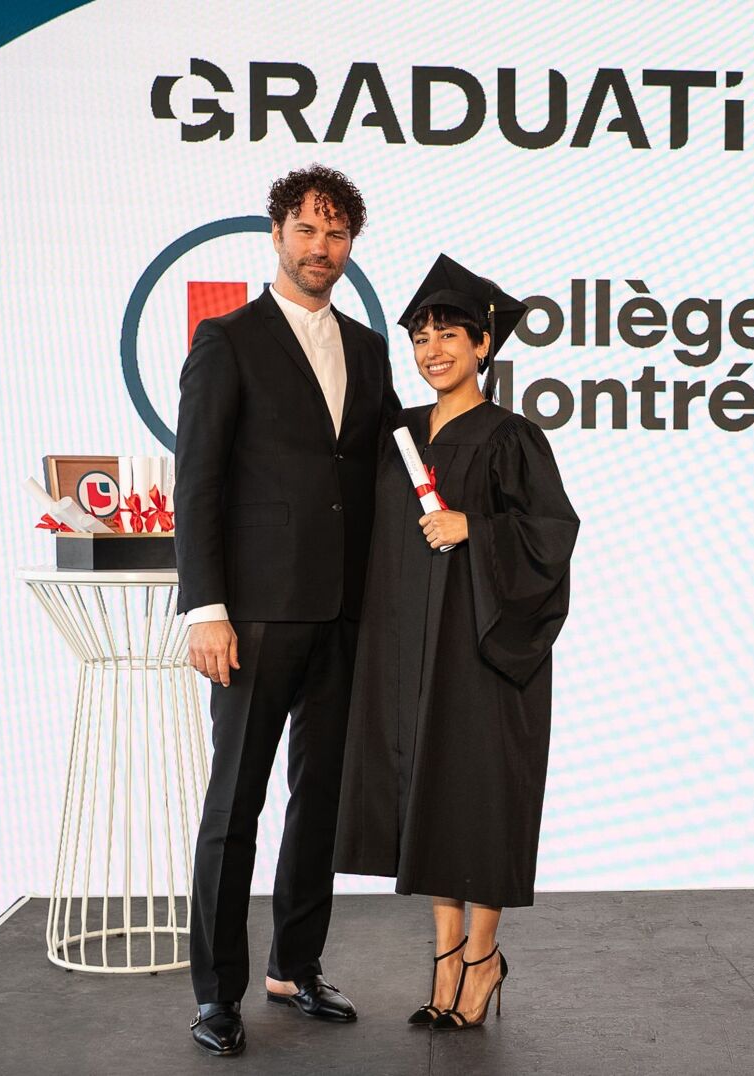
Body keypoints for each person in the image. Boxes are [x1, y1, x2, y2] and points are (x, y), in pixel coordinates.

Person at [174, 166, 400, 1056]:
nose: (321, 248)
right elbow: (197, 484)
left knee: (321, 801)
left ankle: (293, 966)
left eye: (337, 233)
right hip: (255, 614)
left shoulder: (370, 347)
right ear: (277, 234)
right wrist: (207, 608)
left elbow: (382, 470)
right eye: (307, 230)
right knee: (236, 803)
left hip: (345, 612)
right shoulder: (226, 340)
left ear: (351, 245)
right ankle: (215, 994)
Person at [334, 254, 579, 1030]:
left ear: (484, 345)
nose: (432, 348)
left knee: (477, 799)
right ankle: (443, 953)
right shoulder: (398, 434)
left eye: (449, 335)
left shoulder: (512, 437)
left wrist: (475, 525)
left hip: (481, 649)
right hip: (406, 647)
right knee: (427, 799)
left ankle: (482, 957)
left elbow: (550, 536)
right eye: (421, 337)